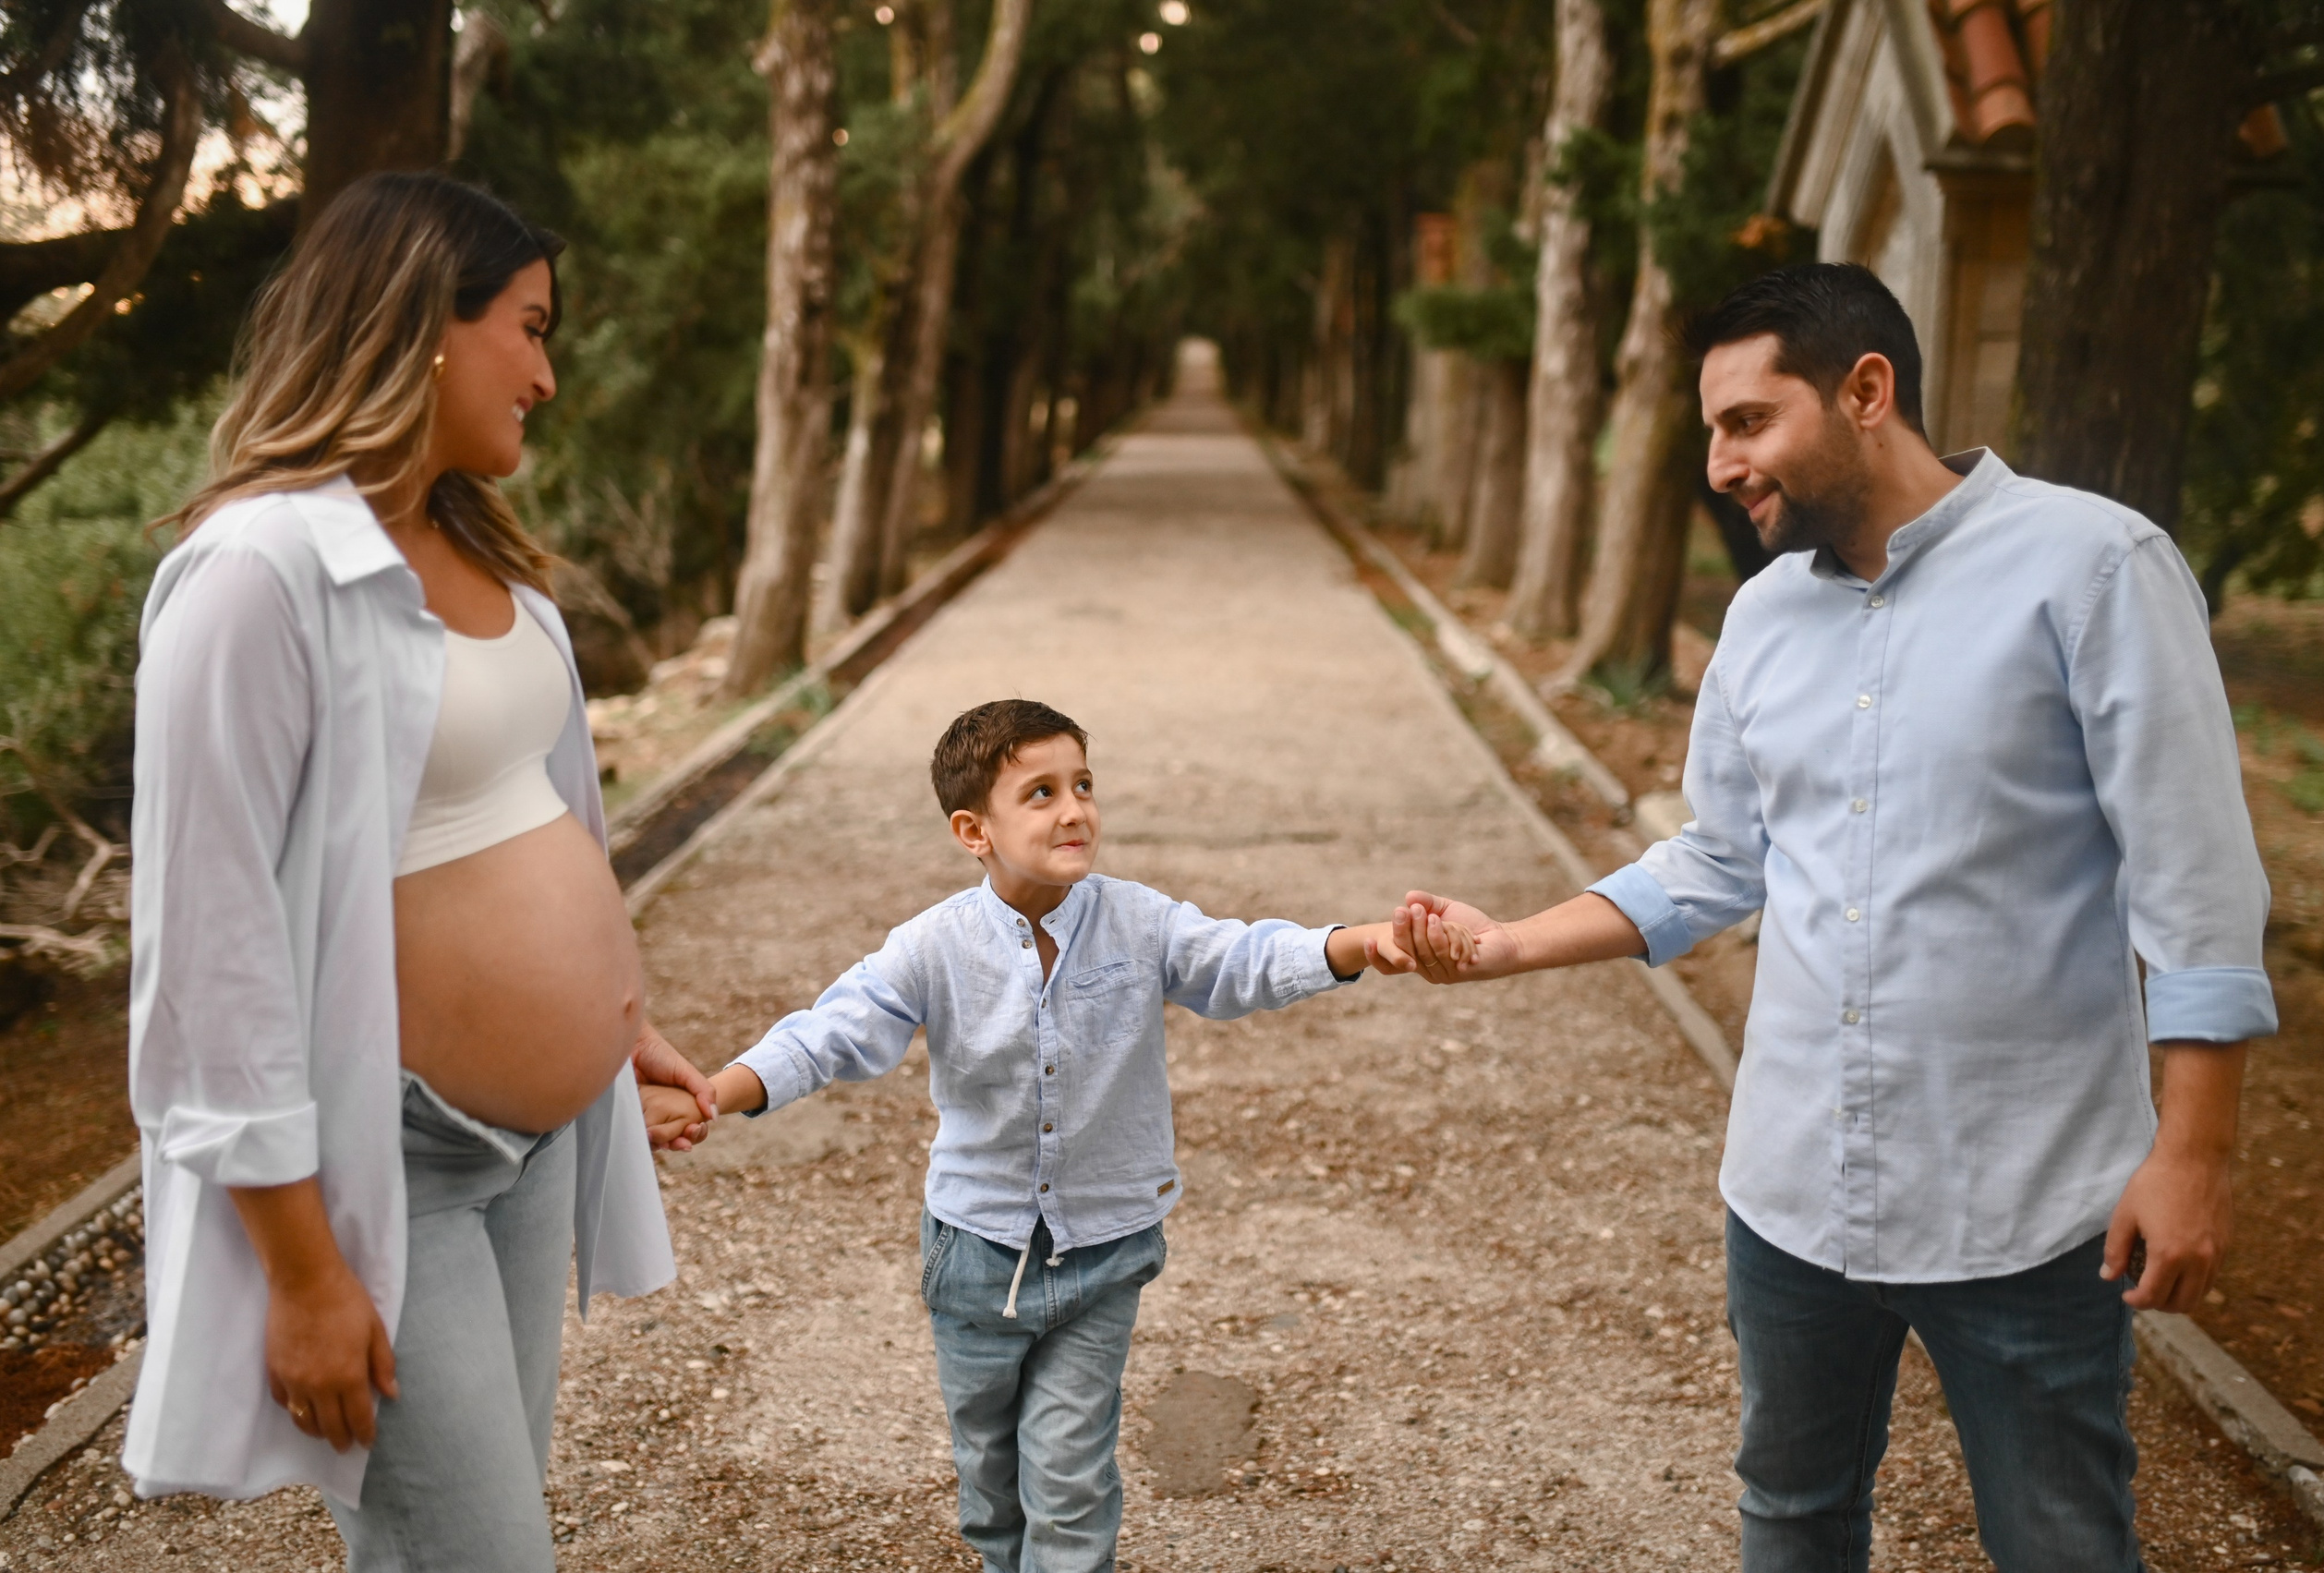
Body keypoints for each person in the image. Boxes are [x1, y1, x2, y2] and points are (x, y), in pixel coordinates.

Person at [1390, 263, 2273, 1572]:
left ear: (1868, 390)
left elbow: (2195, 880)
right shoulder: (1760, 617)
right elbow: (1715, 858)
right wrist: (1514, 939)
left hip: (2024, 1206)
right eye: (1710, 430)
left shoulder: (2094, 568)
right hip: (1794, 1193)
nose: (1720, 463)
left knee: (2061, 1542)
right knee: (1793, 1519)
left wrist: (2190, 1153)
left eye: (1748, 421)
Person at [125, 172, 717, 1570]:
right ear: (422, 327)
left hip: (537, 1141)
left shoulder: (473, 544)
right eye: (528, 326)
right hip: (396, 1158)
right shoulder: (258, 574)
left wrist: (615, 1024)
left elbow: (525, 804)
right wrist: (304, 1269)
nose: (548, 372)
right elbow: (209, 947)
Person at [642, 698, 1439, 1573]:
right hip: (977, 1256)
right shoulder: (933, 945)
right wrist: (717, 1092)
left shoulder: (1139, 920)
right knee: (990, 1481)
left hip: (1105, 1250)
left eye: (1084, 785)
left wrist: (1359, 943)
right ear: (972, 828)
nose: (1075, 810)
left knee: (1069, 1481)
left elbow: (1238, 959)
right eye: (1042, 792)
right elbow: (831, 1031)